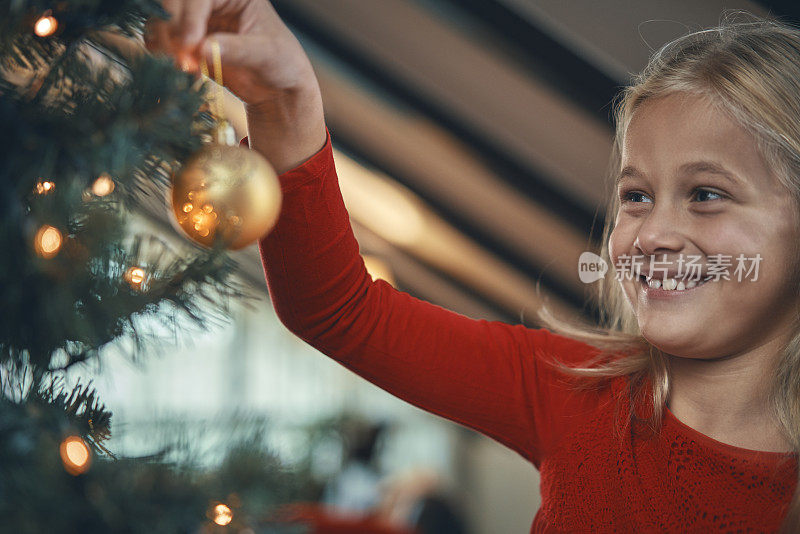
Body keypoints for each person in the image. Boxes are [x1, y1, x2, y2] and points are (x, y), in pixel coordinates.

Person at [145, 3, 800, 532]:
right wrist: (285, 100)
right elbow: (339, 309)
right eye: (635, 196)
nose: (652, 233)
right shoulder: (573, 388)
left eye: (706, 195)